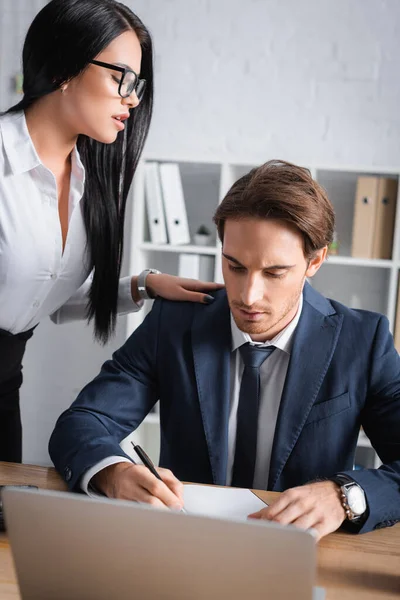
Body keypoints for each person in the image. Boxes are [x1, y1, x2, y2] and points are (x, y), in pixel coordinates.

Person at [49, 160, 400, 540]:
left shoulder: (363, 341)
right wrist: (113, 472)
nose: (248, 296)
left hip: (302, 559)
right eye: (235, 266)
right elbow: (82, 423)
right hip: (185, 549)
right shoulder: (174, 324)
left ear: (314, 262)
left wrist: (344, 496)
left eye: (274, 273)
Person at [0, 0, 222, 463]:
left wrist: (145, 285)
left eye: (137, 84)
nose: (134, 98)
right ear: (65, 68)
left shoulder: (87, 179)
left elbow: (36, 296)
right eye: (121, 77)